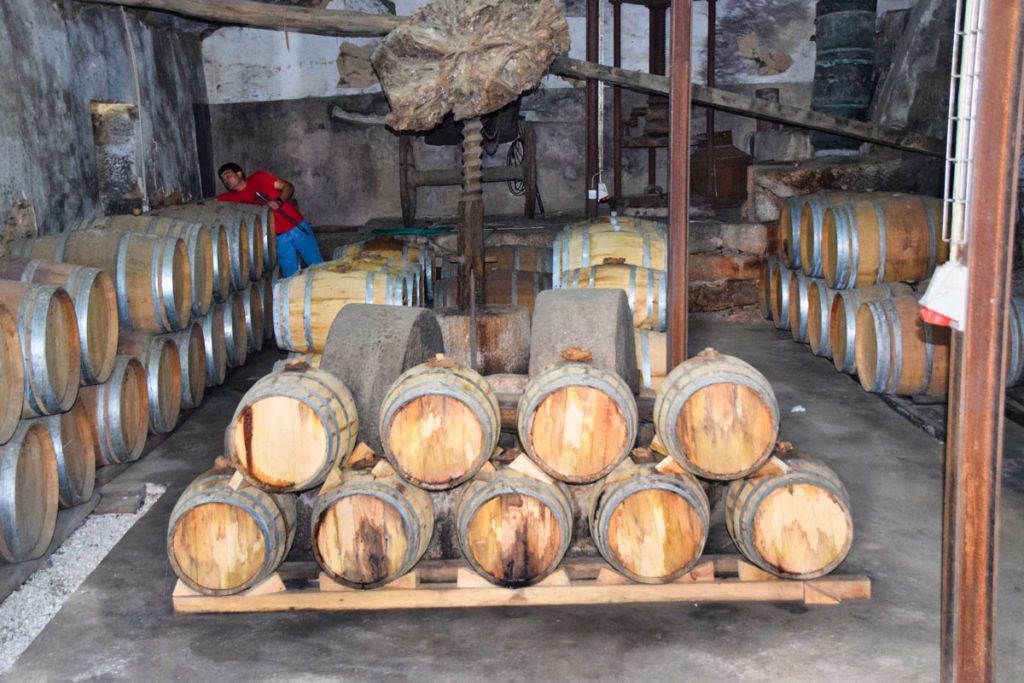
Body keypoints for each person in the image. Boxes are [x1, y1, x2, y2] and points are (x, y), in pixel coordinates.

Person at [216, 162, 323, 277]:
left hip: (296, 226)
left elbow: (288, 187)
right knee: (290, 275)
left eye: (228, 175)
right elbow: (210, 203)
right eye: (223, 179)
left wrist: (279, 201)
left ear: (239, 173)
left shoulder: (259, 178)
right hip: (278, 238)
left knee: (317, 266)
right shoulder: (230, 198)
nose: (226, 180)